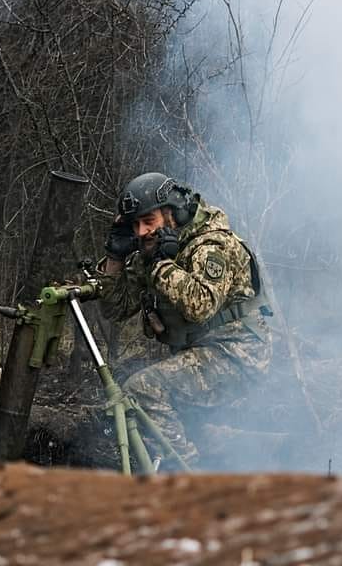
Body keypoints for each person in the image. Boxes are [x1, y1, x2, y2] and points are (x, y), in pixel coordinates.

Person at [96, 172, 272, 469]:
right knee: (185, 424)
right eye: (135, 225)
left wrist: (161, 265)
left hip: (237, 355)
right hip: (202, 354)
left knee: (142, 389)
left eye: (148, 221)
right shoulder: (153, 249)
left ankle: (184, 474)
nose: (141, 232)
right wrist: (114, 257)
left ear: (172, 213)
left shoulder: (211, 246)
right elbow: (116, 308)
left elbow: (200, 305)